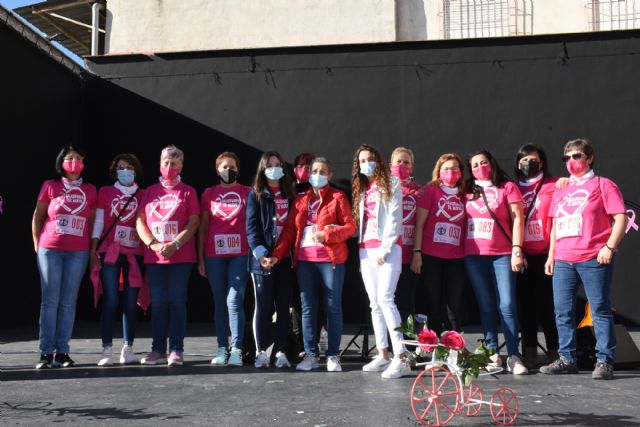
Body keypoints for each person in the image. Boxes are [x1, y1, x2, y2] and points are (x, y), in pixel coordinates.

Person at [541, 138, 627, 380]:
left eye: (576, 156)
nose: (571, 161)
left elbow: (620, 218)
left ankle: (604, 361)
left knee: (599, 309)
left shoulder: (603, 185)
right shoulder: (561, 189)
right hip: (563, 259)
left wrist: (609, 246)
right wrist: (551, 255)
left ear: (589, 158)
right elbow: (555, 226)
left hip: (593, 257)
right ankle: (567, 359)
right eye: (566, 157)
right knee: (562, 312)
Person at [266, 157, 356, 372]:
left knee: (333, 307)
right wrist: (277, 255)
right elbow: (289, 231)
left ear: (330, 175)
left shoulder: (338, 196)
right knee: (307, 308)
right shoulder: (301, 199)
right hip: (305, 261)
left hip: (330, 261)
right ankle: (310, 354)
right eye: (314, 171)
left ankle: (333, 355)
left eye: (322, 171)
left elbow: (350, 226)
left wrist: (328, 234)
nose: (317, 175)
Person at [463, 150, 528, 375]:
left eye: (483, 162)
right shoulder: (466, 190)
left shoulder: (507, 187)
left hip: (502, 254)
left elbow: (518, 218)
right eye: (474, 165)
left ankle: (514, 355)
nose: (479, 167)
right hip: (474, 255)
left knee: (507, 304)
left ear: (492, 163)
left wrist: (517, 249)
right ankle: (492, 352)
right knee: (486, 305)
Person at [32, 146, 97, 369]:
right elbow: (38, 217)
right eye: (70, 158)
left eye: (79, 158)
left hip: (78, 252)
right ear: (61, 162)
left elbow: (91, 222)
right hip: (50, 249)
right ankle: (45, 352)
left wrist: (91, 250)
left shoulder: (90, 190)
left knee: (68, 302)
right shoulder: (50, 186)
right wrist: (38, 246)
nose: (74, 162)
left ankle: (62, 352)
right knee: (50, 301)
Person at [137, 145, 199, 366]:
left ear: (181, 166)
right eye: (166, 162)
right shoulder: (149, 192)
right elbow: (140, 221)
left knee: (177, 301)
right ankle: (157, 350)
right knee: (158, 302)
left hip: (181, 256)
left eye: (174, 163)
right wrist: (153, 244)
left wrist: (176, 244)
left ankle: (176, 349)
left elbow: (194, 222)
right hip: (155, 257)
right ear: (160, 164)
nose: (169, 167)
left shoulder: (188, 191)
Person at [353, 144, 410, 379]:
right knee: (374, 303)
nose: (366, 163)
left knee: (386, 299)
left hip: (388, 248)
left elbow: (395, 218)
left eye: (370, 159)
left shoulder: (392, 183)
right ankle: (383, 354)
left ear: (378, 160)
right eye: (362, 160)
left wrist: (385, 249)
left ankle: (402, 357)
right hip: (366, 249)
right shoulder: (362, 188)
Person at [91, 153, 147, 366]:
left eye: (129, 167)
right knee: (111, 299)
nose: (125, 171)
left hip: (135, 253)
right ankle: (107, 350)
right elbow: (98, 221)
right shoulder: (105, 192)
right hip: (110, 251)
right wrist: (93, 249)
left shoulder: (143, 194)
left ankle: (128, 348)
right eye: (121, 167)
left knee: (131, 303)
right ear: (115, 172)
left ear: (136, 171)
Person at [197, 152, 251, 367]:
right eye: (224, 167)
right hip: (214, 255)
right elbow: (203, 227)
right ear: (217, 170)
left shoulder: (248, 192)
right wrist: (201, 257)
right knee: (220, 302)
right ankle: (222, 347)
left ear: (238, 169)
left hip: (240, 254)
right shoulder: (209, 194)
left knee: (234, 300)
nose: (228, 170)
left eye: (232, 167)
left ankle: (237, 349)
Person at [245, 151, 296, 368]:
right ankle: (260, 352)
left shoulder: (290, 194)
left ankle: (281, 351)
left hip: (284, 259)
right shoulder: (255, 195)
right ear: (263, 169)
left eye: (278, 165)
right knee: (263, 305)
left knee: (283, 307)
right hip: (262, 261)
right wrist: (261, 254)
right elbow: (251, 228)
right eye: (270, 165)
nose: (275, 169)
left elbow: (292, 229)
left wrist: (279, 255)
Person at [513, 144, 560, 367]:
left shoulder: (554, 184)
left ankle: (554, 350)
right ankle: (529, 350)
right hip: (523, 255)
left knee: (549, 305)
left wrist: (552, 254)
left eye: (533, 160)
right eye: (524, 160)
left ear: (541, 163)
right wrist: (517, 251)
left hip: (547, 253)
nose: (528, 164)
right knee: (526, 305)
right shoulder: (512, 187)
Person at [411, 153, 466, 335]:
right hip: (431, 256)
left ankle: (454, 343)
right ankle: (435, 344)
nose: (451, 172)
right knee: (433, 302)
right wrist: (417, 253)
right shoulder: (430, 191)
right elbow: (419, 224)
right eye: (446, 168)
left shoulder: (466, 194)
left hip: (456, 257)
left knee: (454, 304)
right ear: (438, 171)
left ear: (461, 172)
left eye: (455, 168)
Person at [389, 147, 423, 324]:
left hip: (409, 255)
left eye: (406, 163)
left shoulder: (419, 191)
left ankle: (407, 339)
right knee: (388, 300)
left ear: (412, 167)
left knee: (406, 300)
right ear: (390, 165)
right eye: (398, 162)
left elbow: (422, 224)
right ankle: (389, 338)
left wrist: (418, 253)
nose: (402, 165)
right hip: (388, 254)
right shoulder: (383, 189)